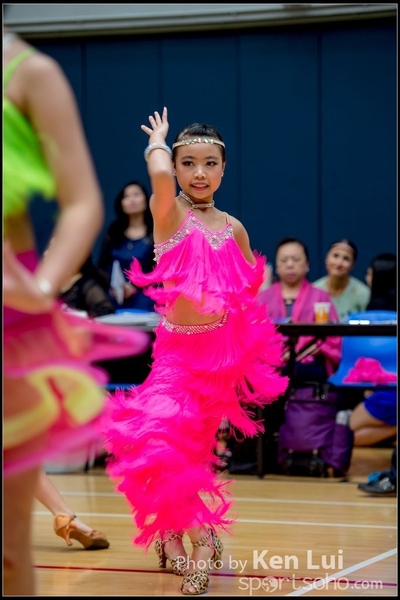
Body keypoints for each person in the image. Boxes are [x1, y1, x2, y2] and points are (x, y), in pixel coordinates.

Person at [102, 107, 288, 596]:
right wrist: (158, 144)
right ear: (177, 168)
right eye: (188, 163)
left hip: (219, 361)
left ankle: (173, 534)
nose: (199, 173)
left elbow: (247, 289)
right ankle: (203, 539)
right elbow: (160, 176)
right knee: (156, 444)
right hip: (176, 356)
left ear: (224, 168)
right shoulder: (169, 212)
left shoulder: (235, 227)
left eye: (209, 163)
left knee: (189, 458)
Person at [3, 27, 149, 595]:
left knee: (9, 549)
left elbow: (82, 201)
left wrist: (42, 288)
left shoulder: (29, 72)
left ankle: (63, 516)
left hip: (10, 308)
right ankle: (66, 516)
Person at [259, 237, 342, 383]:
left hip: (310, 365)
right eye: (284, 260)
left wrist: (303, 351)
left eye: (296, 259)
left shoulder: (320, 296)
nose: (290, 264)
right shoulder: (263, 298)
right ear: (277, 265)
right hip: (270, 364)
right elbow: (254, 335)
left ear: (307, 263)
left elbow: (333, 338)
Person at [349, 252, 397, 446]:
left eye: (370, 274)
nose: (366, 278)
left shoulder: (376, 314)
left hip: (390, 391)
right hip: (381, 386)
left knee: (348, 432)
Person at [97, 180, 155, 312]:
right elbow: (102, 266)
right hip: (114, 297)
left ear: (146, 200)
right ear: (121, 203)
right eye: (126, 196)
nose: (132, 200)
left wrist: (135, 286)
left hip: (145, 299)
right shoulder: (113, 232)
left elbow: (160, 271)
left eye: (136, 194)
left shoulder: (155, 233)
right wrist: (112, 286)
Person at [313, 239, 371, 322]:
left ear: (353, 264)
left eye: (346, 259)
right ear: (327, 258)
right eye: (335, 256)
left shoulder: (362, 293)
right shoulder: (314, 290)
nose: (339, 263)